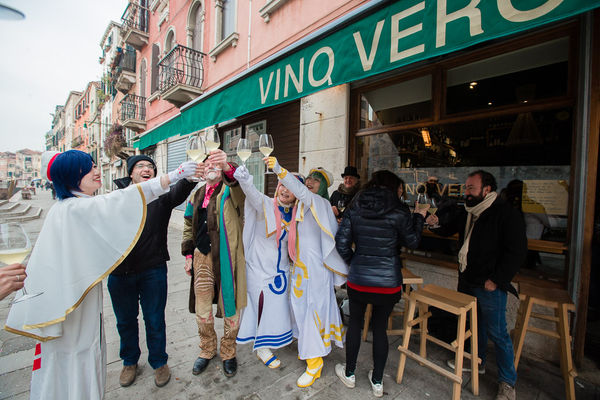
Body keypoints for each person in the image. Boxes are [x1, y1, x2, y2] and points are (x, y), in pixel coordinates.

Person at [4, 150, 198, 400]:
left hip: (134, 275)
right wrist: (176, 173)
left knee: (152, 320)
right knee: (94, 344)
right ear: (73, 176)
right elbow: (122, 200)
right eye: (90, 168)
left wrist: (182, 178)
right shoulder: (76, 207)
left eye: (96, 166)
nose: (97, 171)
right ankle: (112, 373)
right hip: (79, 303)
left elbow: (122, 200)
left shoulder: (68, 207)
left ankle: (157, 362)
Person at [427, 170, 527, 400]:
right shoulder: (469, 210)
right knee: (475, 325)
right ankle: (476, 362)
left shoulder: (504, 213)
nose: (466, 192)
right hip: (467, 279)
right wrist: (434, 222)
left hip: (489, 284)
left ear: (487, 190)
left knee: (498, 333)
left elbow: (517, 251)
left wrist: (497, 280)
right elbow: (449, 228)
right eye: (466, 188)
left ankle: (508, 382)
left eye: (471, 188)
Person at [334, 170, 427, 397]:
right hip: (388, 282)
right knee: (380, 328)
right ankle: (377, 382)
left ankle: (349, 374)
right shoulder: (399, 210)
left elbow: (342, 243)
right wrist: (419, 217)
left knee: (354, 324)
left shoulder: (355, 206)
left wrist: (355, 262)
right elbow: (413, 241)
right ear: (393, 187)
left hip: (359, 280)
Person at [107, 155, 197, 388]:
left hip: (152, 269)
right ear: (131, 173)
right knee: (125, 321)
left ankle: (159, 362)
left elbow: (179, 190)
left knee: (155, 319)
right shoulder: (116, 197)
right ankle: (129, 362)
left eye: (151, 167)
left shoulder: (161, 195)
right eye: (141, 166)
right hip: (120, 272)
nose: (147, 169)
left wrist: (191, 174)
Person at [266, 157, 348, 387]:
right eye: (309, 177)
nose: (311, 181)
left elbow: (300, 192)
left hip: (315, 272)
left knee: (313, 313)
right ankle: (307, 347)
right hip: (301, 270)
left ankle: (315, 363)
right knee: (301, 310)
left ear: (324, 186)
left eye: (317, 179)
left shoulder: (318, 203)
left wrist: (279, 170)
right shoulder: (302, 205)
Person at [181, 150, 246, 378]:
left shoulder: (233, 191)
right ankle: (207, 349)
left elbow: (238, 183)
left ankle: (228, 352)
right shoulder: (197, 193)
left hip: (228, 256)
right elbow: (188, 224)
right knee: (203, 306)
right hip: (202, 256)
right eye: (207, 163)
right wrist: (188, 255)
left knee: (230, 305)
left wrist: (227, 166)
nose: (210, 166)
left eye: (215, 164)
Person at [232, 165, 301, 368]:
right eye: (283, 186)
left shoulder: (296, 216)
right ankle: (261, 347)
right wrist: (244, 178)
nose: (285, 191)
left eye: (291, 188)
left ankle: (274, 337)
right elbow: (251, 193)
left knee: (277, 308)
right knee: (259, 307)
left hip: (281, 271)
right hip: (259, 269)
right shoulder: (265, 204)